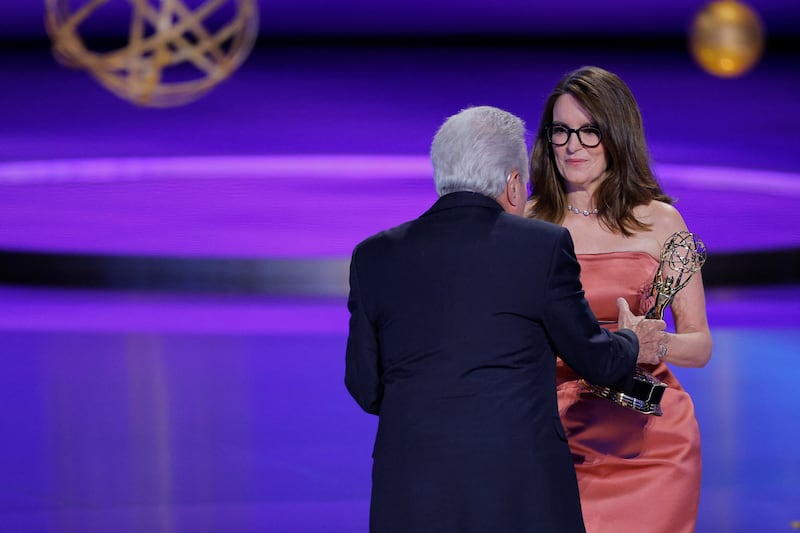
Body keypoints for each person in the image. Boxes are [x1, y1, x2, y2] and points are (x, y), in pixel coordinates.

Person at [345, 105, 667, 533]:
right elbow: (595, 360)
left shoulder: (374, 257)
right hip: (520, 491)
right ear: (514, 185)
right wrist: (632, 341)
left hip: (410, 488)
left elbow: (365, 387)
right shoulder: (541, 247)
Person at [526, 66, 713, 533]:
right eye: (562, 131)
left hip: (649, 433)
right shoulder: (526, 224)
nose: (573, 145)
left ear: (616, 135)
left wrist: (649, 343)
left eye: (589, 131)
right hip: (552, 427)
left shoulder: (662, 222)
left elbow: (700, 346)